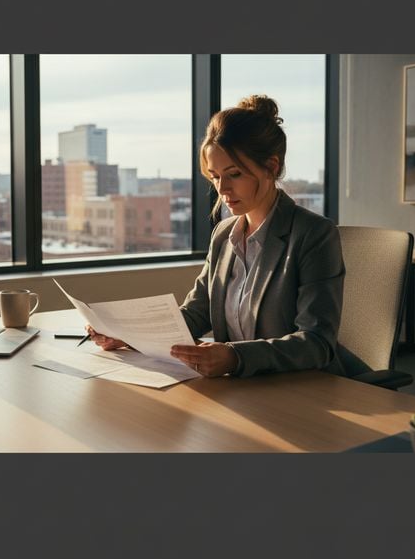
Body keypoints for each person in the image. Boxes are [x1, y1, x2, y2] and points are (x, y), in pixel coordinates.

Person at [88, 94, 345, 379]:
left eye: (234, 174)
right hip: (242, 390)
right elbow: (197, 312)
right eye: (214, 176)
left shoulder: (314, 235)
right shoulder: (225, 235)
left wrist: (235, 357)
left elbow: (317, 343)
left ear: (271, 167)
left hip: (305, 390)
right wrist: (129, 335)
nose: (222, 189)